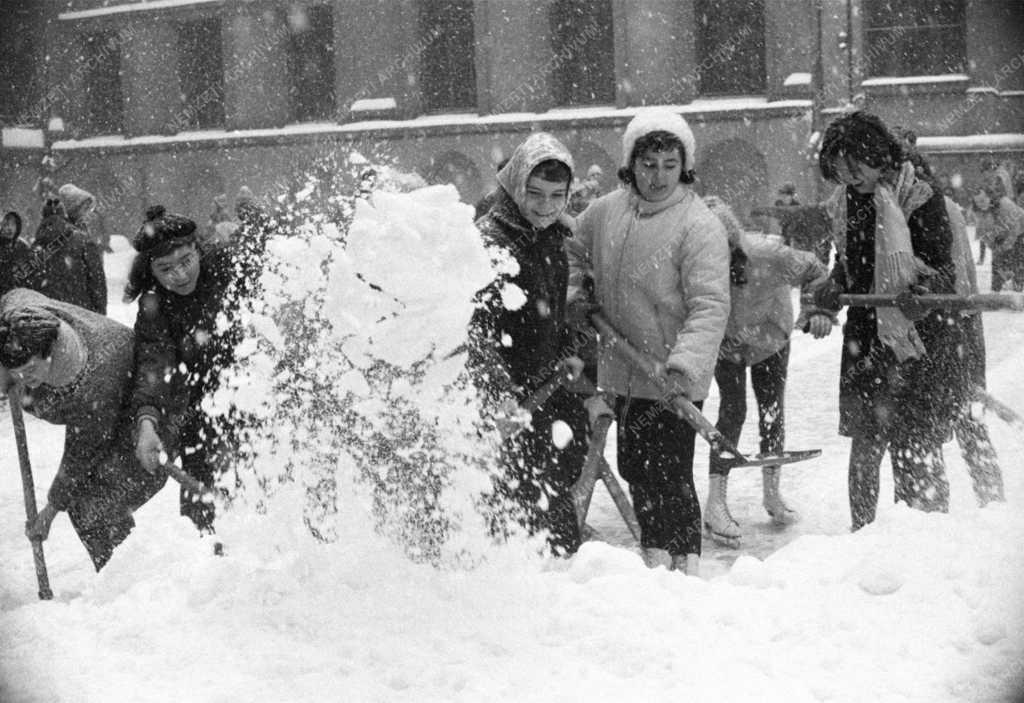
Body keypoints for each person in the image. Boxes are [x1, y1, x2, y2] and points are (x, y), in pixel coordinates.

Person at [566, 109, 730, 574]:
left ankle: (683, 566)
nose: (657, 176)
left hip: (671, 376)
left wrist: (683, 367)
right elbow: (571, 252)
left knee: (672, 474)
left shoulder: (698, 225)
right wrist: (578, 292)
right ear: (631, 163)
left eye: (669, 164)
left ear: (685, 167)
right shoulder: (605, 212)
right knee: (637, 468)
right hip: (623, 368)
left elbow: (710, 305)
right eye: (648, 162)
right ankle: (656, 560)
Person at [805, 111, 968, 531]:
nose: (848, 178)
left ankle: (924, 539)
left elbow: (944, 271)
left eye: (854, 167)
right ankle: (863, 535)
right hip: (867, 340)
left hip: (917, 340)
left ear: (878, 156)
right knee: (865, 445)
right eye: (839, 170)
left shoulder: (921, 199)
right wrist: (834, 285)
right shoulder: (845, 202)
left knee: (915, 446)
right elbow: (853, 264)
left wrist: (925, 295)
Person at [468, 132, 586, 556]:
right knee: (518, 517)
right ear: (515, 186)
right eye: (535, 193)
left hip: (545, 393)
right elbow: (475, 331)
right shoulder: (489, 244)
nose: (546, 205)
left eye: (558, 195)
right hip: (506, 407)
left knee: (551, 500)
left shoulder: (552, 239)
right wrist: (498, 393)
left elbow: (551, 314)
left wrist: (567, 349)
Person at [0, 288, 168, 570]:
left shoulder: (93, 382)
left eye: (29, 370)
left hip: (148, 409)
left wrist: (50, 512)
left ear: (51, 351)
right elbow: (16, 295)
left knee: (91, 505)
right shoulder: (20, 319)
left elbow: (80, 454)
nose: (22, 379)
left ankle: (127, 577)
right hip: (106, 411)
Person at [127, 205, 268, 533]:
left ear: (197, 249)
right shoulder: (154, 306)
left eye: (185, 261)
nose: (179, 275)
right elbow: (153, 365)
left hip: (256, 390)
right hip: (203, 406)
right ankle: (211, 562)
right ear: (152, 271)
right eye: (165, 269)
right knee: (202, 513)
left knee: (267, 487)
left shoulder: (232, 266)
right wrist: (146, 423)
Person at [701, 195, 827, 548]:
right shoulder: (695, 266)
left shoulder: (767, 255)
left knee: (771, 410)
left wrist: (815, 310)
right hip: (727, 344)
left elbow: (814, 269)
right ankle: (716, 501)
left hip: (770, 338)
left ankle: (772, 493)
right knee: (732, 411)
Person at [26, 199, 107, 315]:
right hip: (80, 312)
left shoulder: (35, 248)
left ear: (42, 217)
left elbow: (27, 284)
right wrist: (100, 312)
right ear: (64, 216)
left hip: (46, 315)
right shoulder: (83, 241)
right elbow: (97, 280)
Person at [973, 170, 1024, 292]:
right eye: (978, 202)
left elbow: (1015, 229)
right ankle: (995, 290)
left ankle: (1018, 287)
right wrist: (994, 246)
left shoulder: (1005, 204)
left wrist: (1005, 246)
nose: (981, 204)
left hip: (1021, 231)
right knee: (997, 263)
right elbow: (982, 233)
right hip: (1000, 233)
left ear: (990, 197)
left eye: (983, 200)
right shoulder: (979, 212)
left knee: (1017, 259)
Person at [1, 212, 31, 297]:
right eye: (7, 224)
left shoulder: (22, 247)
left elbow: (29, 272)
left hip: (15, 296)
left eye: (13, 225)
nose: (9, 228)